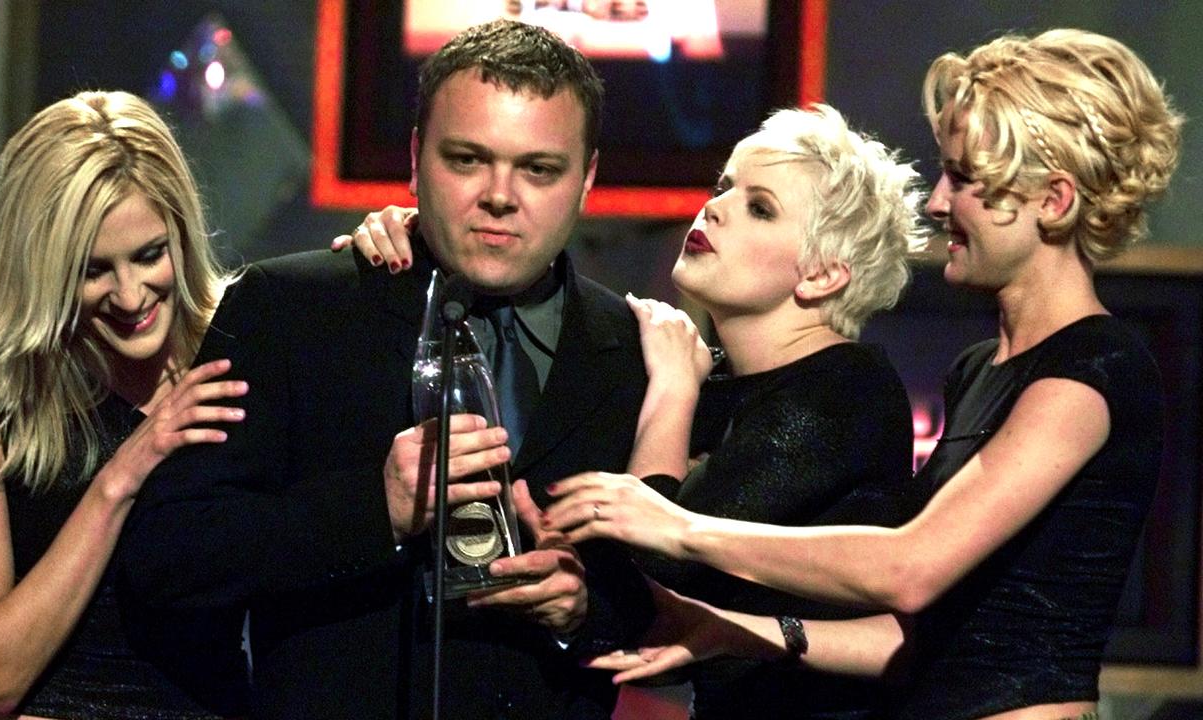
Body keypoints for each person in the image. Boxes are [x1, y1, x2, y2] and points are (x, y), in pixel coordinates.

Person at [544, 28, 1183, 720]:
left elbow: (911, 568)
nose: (939, 203)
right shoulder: (978, 371)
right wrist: (734, 631)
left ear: (1053, 203)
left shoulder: (1094, 367)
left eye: (964, 179)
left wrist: (677, 526)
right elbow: (912, 640)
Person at [118, 19, 653, 719]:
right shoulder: (290, 309)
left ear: (586, 178)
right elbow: (170, 558)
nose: (499, 194)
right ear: (415, 158)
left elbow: (664, 605)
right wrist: (378, 508)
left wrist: (582, 610)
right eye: (466, 159)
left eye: (538, 168)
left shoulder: (632, 348)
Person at [343, 103, 930, 719]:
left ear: (822, 275)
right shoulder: (724, 383)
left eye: (760, 207)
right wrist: (419, 236)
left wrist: (674, 390)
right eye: (724, 186)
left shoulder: (845, 388)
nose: (716, 207)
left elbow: (655, 569)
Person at [0, 91, 249, 719]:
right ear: (41, 268)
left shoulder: (239, 350)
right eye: (93, 270)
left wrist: (388, 243)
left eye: (150, 255)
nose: (131, 296)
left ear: (180, 232)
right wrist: (122, 474)